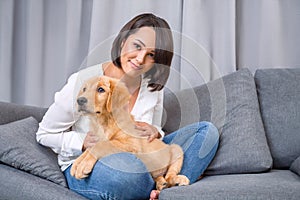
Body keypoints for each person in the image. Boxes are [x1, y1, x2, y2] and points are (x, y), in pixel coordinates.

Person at [36, 13, 219, 200]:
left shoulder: (151, 87)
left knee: (206, 132)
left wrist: (155, 131)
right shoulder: (82, 82)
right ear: (123, 41)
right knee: (126, 172)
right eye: (137, 46)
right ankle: (166, 190)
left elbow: (154, 133)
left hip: (143, 156)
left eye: (151, 55)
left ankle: (163, 189)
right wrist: (82, 142)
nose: (140, 59)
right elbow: (44, 134)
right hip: (96, 165)